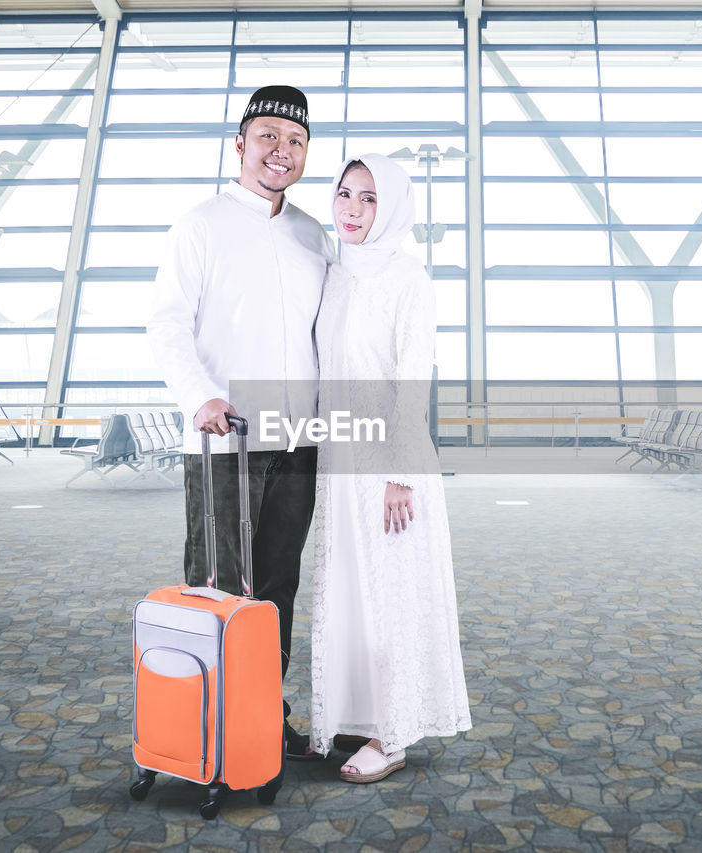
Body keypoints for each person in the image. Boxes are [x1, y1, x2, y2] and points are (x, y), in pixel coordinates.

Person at [146, 85, 332, 760]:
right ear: (240, 144)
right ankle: (209, 720)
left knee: (277, 585)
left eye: (295, 141)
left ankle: (261, 713)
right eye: (269, 138)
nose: (281, 152)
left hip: (298, 443)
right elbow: (166, 322)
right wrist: (200, 395)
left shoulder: (314, 233)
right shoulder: (200, 224)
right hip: (225, 438)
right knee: (219, 585)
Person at [309, 154, 472, 782]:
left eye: (369, 199)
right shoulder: (336, 273)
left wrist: (402, 471)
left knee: (391, 594)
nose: (351, 210)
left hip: (390, 465)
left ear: (393, 208)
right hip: (340, 459)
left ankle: (393, 732)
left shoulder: (409, 277)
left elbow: (413, 377)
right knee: (351, 589)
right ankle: (356, 714)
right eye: (345, 195)